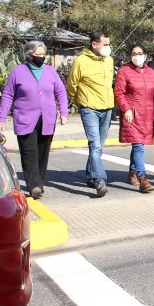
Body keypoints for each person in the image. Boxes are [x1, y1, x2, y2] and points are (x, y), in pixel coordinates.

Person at [0, 40, 68, 200]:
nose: (41, 57)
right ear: (29, 55)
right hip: (24, 118)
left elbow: (61, 92)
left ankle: (38, 182)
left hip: (47, 119)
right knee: (29, 153)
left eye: (43, 54)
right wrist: (2, 117)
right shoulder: (17, 72)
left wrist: (64, 113)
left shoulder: (50, 71)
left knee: (42, 154)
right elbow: (8, 95)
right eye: (38, 54)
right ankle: (34, 186)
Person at [66, 30, 115, 198]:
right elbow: (72, 84)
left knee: (98, 146)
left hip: (107, 108)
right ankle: (100, 180)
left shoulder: (109, 60)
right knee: (95, 145)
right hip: (89, 108)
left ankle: (90, 175)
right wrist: (79, 101)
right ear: (94, 44)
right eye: (105, 44)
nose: (108, 47)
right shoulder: (81, 61)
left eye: (109, 44)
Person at [114, 44, 154, 193]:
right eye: (134, 53)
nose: (137, 56)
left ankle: (132, 171)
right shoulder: (124, 71)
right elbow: (119, 93)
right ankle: (142, 178)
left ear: (145, 55)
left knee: (139, 145)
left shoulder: (152, 72)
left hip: (147, 114)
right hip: (132, 114)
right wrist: (125, 108)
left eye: (140, 53)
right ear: (130, 56)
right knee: (138, 145)